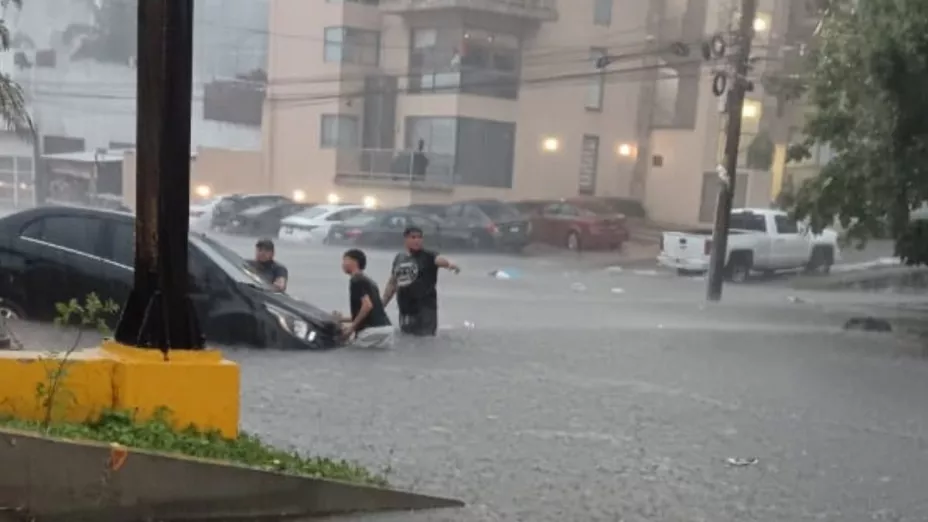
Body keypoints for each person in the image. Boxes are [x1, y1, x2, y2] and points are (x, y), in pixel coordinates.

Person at [382, 226, 459, 336]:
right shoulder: (399, 258)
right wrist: (382, 305)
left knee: (425, 340)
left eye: (419, 237)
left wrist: (449, 264)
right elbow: (393, 283)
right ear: (406, 239)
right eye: (413, 237)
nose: (417, 240)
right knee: (407, 339)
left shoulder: (428, 256)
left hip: (425, 310)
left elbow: (438, 260)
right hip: (405, 308)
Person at [335, 249, 394, 348]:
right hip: (386, 329)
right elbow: (370, 313)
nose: (342, 264)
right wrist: (341, 319)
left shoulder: (356, 280)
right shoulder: (370, 282)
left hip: (371, 331)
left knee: (350, 353)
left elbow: (367, 306)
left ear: (354, 262)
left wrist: (350, 330)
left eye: (345, 260)